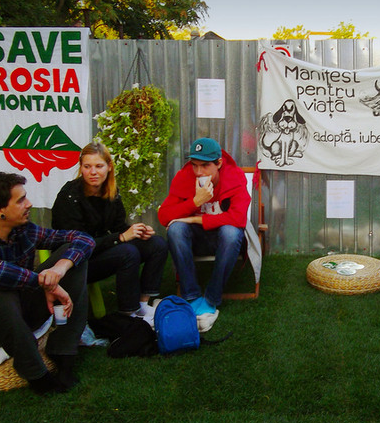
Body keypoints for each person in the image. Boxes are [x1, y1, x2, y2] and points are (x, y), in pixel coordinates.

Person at [0, 172, 94, 394]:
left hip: (17, 313)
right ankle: (36, 374)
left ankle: (63, 352)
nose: (29, 203)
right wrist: (45, 283)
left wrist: (59, 269)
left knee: (73, 256)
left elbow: (83, 239)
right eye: (21, 200)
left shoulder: (24, 230)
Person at [52, 142, 168, 317]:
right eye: (87, 166)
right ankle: (128, 313)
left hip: (99, 249)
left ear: (109, 167)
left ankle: (142, 304)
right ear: (81, 168)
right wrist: (120, 237)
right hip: (75, 261)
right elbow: (77, 244)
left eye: (99, 166)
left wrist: (138, 231)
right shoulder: (69, 196)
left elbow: (118, 227)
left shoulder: (111, 191)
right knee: (127, 252)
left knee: (157, 244)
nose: (93, 172)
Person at [158, 138, 250, 332]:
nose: (199, 172)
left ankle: (211, 299)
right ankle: (191, 296)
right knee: (175, 229)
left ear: (219, 163)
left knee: (231, 232)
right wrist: (194, 202)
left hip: (224, 240)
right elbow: (164, 216)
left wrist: (194, 218)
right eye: (195, 165)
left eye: (205, 165)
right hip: (197, 240)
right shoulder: (184, 176)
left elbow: (239, 218)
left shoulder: (234, 176)